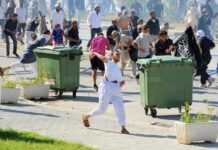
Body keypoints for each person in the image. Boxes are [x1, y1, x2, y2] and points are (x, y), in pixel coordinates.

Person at [82, 49, 130, 135]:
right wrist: (95, 53)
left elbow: (121, 81)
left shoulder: (118, 68)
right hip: (106, 86)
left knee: (120, 108)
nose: (118, 56)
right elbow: (103, 57)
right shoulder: (109, 62)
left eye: (119, 54)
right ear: (112, 55)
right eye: (117, 54)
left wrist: (121, 84)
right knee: (102, 109)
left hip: (116, 89)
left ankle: (123, 127)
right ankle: (86, 116)